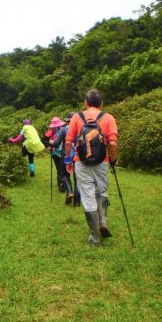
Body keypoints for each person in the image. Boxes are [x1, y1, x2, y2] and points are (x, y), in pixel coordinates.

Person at [65, 89, 118, 246]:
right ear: (101, 104)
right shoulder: (108, 118)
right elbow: (113, 143)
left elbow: (68, 142)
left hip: (81, 162)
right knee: (101, 191)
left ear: (86, 103)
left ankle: (95, 238)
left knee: (88, 196)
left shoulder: (76, 117)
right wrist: (113, 159)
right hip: (102, 162)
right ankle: (103, 221)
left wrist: (68, 160)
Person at [48, 114, 75, 204]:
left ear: (67, 121)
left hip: (66, 155)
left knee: (64, 175)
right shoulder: (80, 127)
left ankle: (70, 192)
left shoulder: (64, 129)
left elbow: (56, 143)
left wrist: (51, 142)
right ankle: (77, 201)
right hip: (78, 156)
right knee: (77, 178)